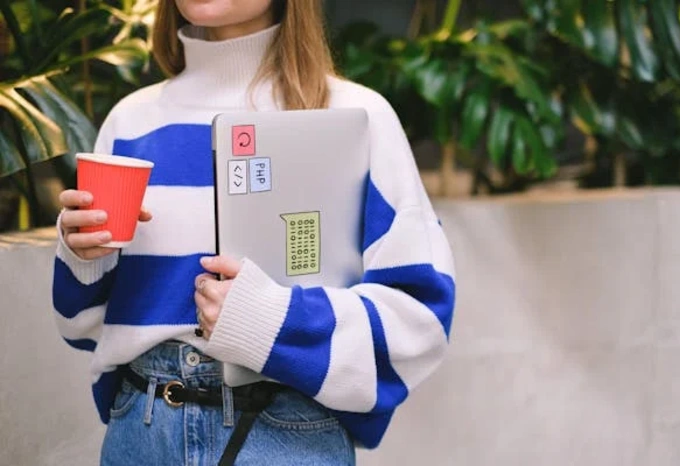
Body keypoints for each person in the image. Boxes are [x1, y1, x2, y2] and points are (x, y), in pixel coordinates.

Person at [52, 0, 456, 464]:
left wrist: (269, 322)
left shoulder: (356, 116)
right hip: (141, 426)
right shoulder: (131, 122)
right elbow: (80, 326)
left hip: (285, 429)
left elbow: (420, 319)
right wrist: (84, 256)